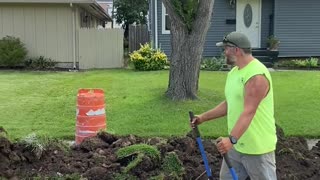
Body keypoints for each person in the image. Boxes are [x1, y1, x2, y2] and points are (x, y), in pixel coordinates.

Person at [191, 32, 277, 180]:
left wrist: (231, 140)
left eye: (225, 49)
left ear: (236, 50)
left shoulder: (256, 76)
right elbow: (229, 103)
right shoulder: (234, 72)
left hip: (257, 148)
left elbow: (249, 111)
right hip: (236, 146)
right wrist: (203, 118)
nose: (224, 52)